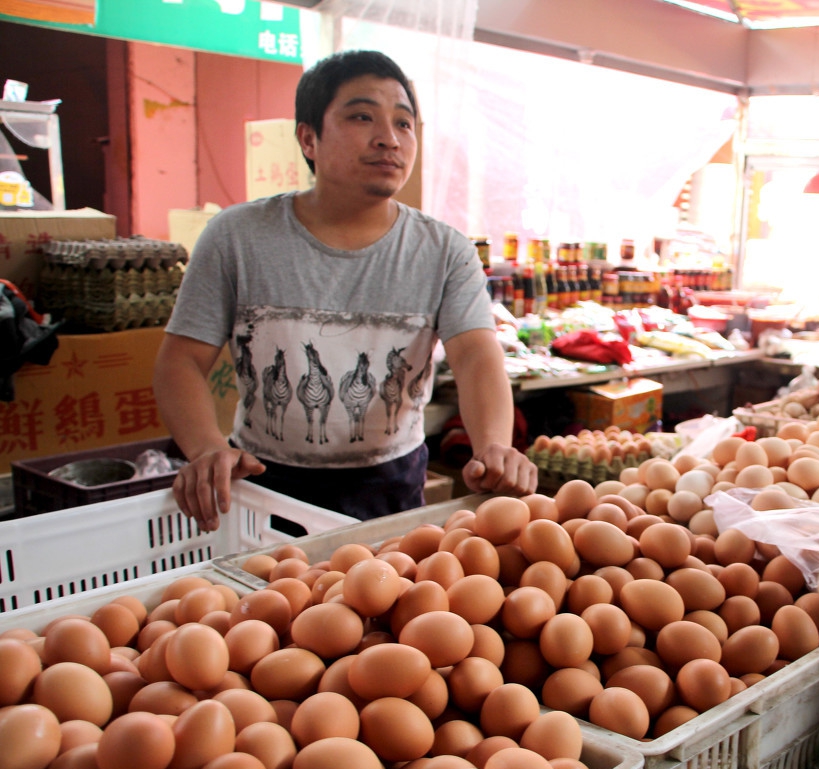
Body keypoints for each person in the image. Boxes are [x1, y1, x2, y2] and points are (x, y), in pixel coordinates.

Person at [154, 49, 537, 528]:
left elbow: (477, 356)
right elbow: (181, 360)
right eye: (362, 117)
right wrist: (207, 449)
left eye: (404, 123)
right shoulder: (238, 236)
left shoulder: (444, 250)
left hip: (389, 485)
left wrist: (494, 448)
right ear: (308, 138)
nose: (389, 139)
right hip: (261, 485)